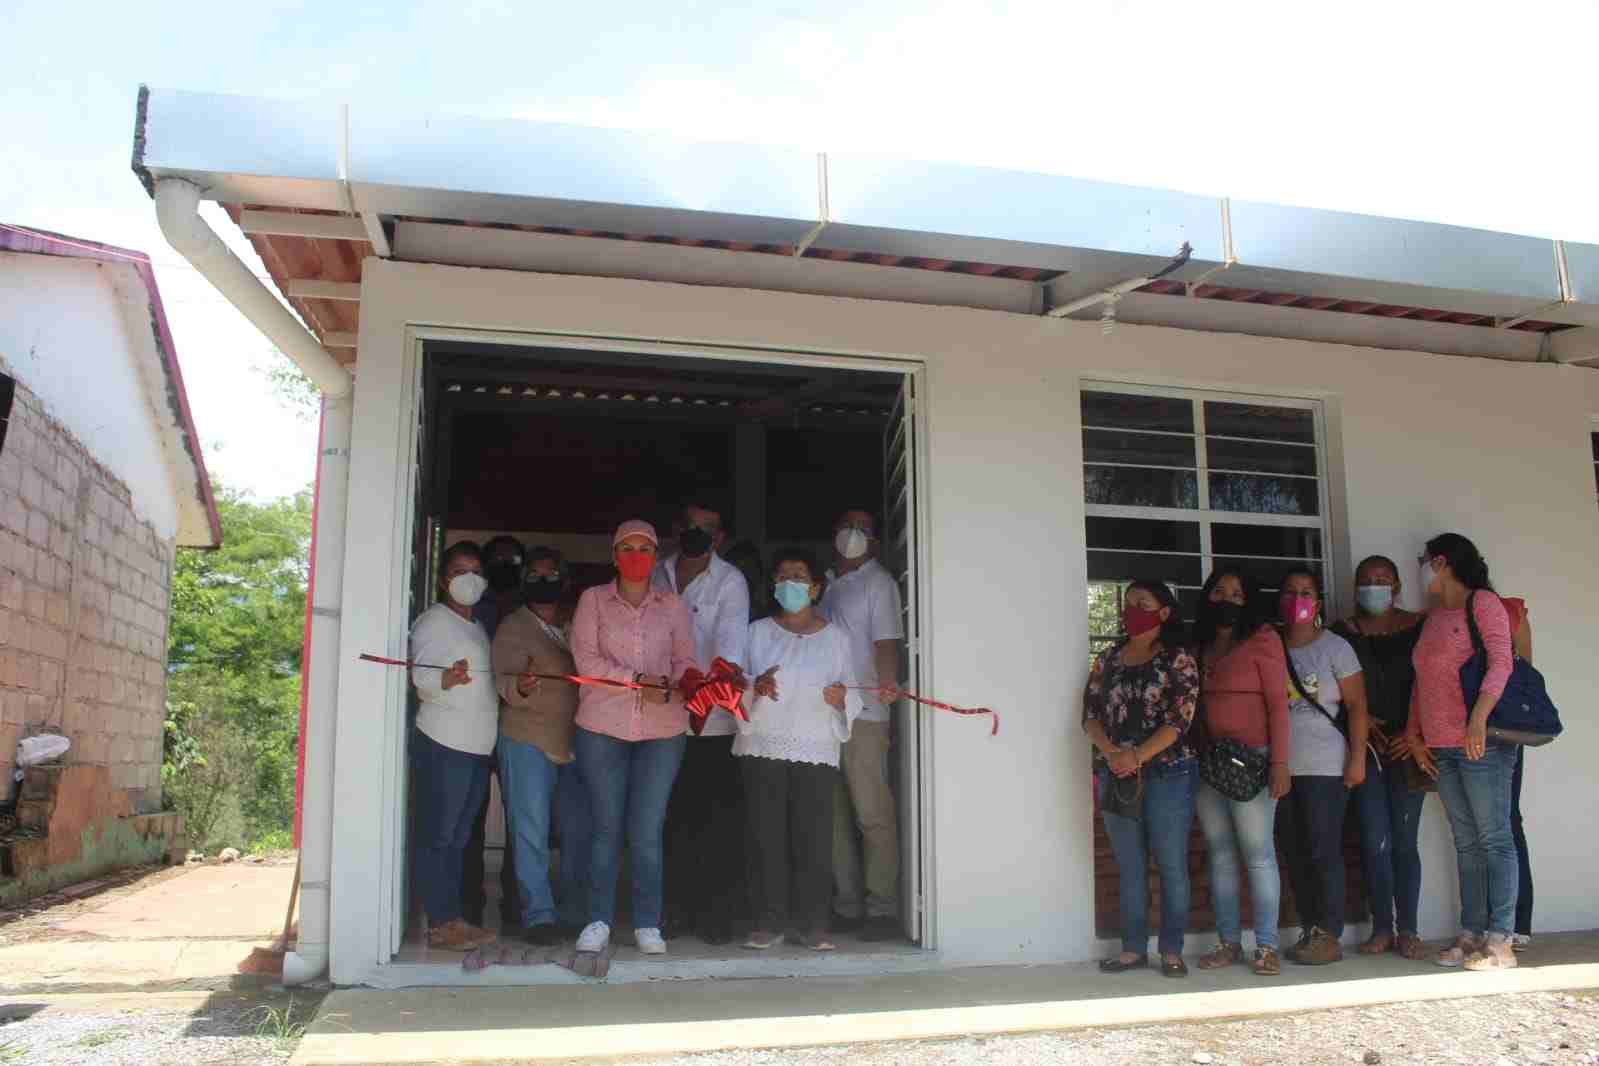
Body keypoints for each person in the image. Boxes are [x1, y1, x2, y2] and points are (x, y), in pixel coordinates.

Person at [571, 520, 699, 956]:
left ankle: (648, 922)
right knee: (605, 830)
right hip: (602, 726)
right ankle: (597, 919)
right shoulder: (592, 601)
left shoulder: (674, 606)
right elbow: (585, 660)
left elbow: (685, 661)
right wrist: (635, 680)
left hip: (663, 729)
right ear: (614, 555)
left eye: (645, 547)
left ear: (654, 555)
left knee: (646, 832)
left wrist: (680, 681)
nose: (637, 554)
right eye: (627, 547)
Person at [737, 548, 864, 951]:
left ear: (815, 587)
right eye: (783, 575)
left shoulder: (837, 638)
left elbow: (854, 691)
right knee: (764, 836)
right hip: (762, 743)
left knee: (813, 838)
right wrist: (754, 686)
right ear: (774, 586)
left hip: (815, 745)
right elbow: (734, 683)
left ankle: (813, 925)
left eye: (799, 576)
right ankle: (767, 922)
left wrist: (842, 698)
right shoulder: (756, 632)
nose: (790, 583)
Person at [1407, 533, 1518, 972]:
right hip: (1441, 745)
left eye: (1424, 563)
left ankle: (1501, 941)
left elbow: (1502, 662)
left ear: (1442, 562)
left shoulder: (1483, 604)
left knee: (1494, 838)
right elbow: (1421, 680)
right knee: (1467, 843)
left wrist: (1478, 719)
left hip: (1480, 742)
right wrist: (1415, 734)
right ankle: (1470, 935)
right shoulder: (1433, 618)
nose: (1422, 572)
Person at [1080, 581, 1200, 978]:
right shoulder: (1109, 659)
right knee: (1129, 866)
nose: (1132, 609)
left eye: (1142, 603)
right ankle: (1133, 949)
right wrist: (1114, 753)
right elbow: (1090, 714)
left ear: (1164, 612)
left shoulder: (1178, 658)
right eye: (1128, 603)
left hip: (1169, 773)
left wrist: (1137, 756)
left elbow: (1179, 720)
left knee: (1170, 865)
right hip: (1117, 774)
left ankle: (1171, 950)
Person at [655, 501, 752, 945]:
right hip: (660, 718)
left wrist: (703, 682)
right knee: (669, 819)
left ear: (720, 538)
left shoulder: (730, 581)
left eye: (707, 528)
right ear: (678, 529)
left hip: (711, 720)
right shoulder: (657, 573)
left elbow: (730, 650)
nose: (697, 533)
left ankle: (716, 914)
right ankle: (673, 909)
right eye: (690, 526)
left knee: (714, 819)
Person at [1192, 566, 1292, 977]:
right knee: (1220, 853)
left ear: (1249, 599)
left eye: (1237, 592)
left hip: (1252, 762)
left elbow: (1277, 706)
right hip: (1209, 763)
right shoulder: (1199, 644)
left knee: (1258, 854)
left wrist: (1280, 764)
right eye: (1219, 591)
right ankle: (1228, 942)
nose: (1228, 599)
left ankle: (1266, 946)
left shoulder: (1264, 639)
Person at [1330, 555, 1430, 961]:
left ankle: (1409, 929)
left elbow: (1435, 683)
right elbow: (1326, 687)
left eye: (1384, 580)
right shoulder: (1341, 633)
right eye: (1367, 581)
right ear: (1355, 588)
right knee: (1374, 841)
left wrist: (1416, 732)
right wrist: (1359, 717)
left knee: (1405, 841)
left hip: (1410, 746)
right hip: (1365, 745)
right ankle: (1382, 928)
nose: (1375, 586)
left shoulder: (1420, 628)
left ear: (1399, 587)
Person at [491, 547, 589, 945]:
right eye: (535, 573)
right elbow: (503, 677)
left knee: (576, 832)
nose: (543, 580)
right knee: (530, 832)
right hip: (526, 737)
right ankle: (539, 915)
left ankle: (573, 913)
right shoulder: (512, 627)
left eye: (552, 574)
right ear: (524, 580)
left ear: (564, 581)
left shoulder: (576, 624)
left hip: (576, 740)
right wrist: (520, 685)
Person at [1274, 568, 1369, 967]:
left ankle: (1329, 933)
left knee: (1323, 850)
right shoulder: (1271, 646)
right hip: (1280, 765)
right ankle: (1310, 928)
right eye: (1292, 592)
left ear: (1319, 601)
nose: (1299, 598)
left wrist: (1358, 757)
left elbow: (1357, 706)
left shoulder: (1336, 648)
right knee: (1293, 851)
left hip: (1326, 764)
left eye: (1307, 592)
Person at [408, 541, 499, 951]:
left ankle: (452, 919)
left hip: (477, 745)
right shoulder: (433, 622)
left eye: (476, 570)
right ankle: (441, 923)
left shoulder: (476, 625)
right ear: (445, 580)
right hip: (444, 742)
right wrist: (446, 679)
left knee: (458, 839)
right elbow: (421, 679)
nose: (470, 579)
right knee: (439, 836)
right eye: (461, 571)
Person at [819, 509, 905, 942]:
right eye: (845, 524)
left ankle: (881, 908)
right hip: (824, 715)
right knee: (832, 816)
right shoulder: (830, 586)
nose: (852, 533)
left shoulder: (879, 583)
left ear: (873, 540)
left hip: (866, 713)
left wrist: (886, 684)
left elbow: (886, 642)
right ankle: (847, 905)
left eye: (862, 528)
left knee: (872, 814)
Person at [462, 533, 524, 930]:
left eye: (511, 560)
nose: (504, 565)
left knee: (522, 817)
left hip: (519, 721)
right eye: (497, 559)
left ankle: (516, 905)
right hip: (474, 722)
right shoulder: (471, 609)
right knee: (471, 815)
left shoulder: (526, 609)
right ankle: (468, 903)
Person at [1503, 599, 1534, 951]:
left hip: (1507, 730)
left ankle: (1519, 921)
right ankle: (1489, 923)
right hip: (1457, 731)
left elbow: (1526, 674)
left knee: (1507, 820)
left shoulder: (1512, 614)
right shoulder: (1442, 617)